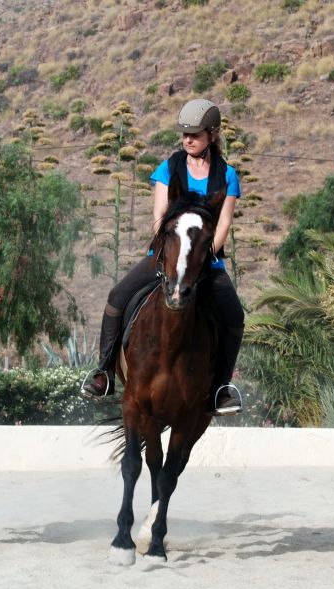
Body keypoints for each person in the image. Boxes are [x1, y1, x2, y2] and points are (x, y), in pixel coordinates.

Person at [82, 99, 244, 416]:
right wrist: (173, 254)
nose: (187, 140)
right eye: (184, 134)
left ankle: (221, 389)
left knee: (234, 316)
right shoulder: (169, 168)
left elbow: (223, 222)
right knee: (117, 296)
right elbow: (159, 214)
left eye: (194, 135)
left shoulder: (227, 175)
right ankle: (103, 372)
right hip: (165, 256)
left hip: (205, 262)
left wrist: (201, 257)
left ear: (212, 134)